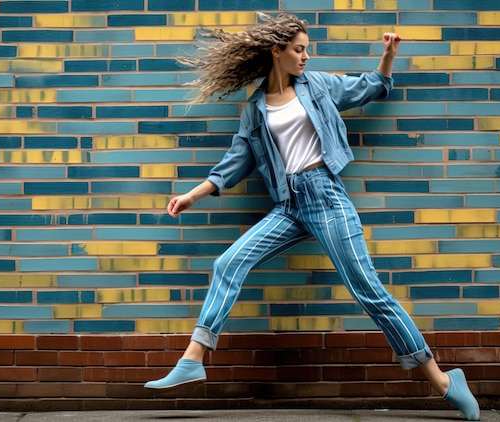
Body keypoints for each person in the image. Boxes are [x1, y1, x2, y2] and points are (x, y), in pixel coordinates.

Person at [144, 13, 480, 421]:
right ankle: (193, 357)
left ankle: (444, 381)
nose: (305, 56)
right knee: (227, 263)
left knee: (370, 293)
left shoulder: (318, 85)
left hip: (326, 198)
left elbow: (373, 87)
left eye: (307, 49)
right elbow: (236, 161)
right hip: (288, 206)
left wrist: (388, 56)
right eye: (299, 49)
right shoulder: (255, 109)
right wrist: (193, 195)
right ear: (277, 51)